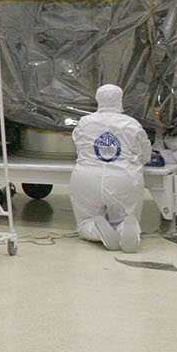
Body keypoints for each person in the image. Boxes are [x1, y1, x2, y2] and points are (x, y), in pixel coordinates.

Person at [70, 84, 151, 252]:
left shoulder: (85, 122)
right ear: (120, 99)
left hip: (86, 178)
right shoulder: (132, 124)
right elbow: (145, 154)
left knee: (85, 221)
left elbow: (78, 147)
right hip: (124, 178)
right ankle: (126, 228)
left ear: (98, 99)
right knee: (125, 215)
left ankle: (96, 229)